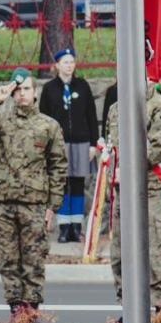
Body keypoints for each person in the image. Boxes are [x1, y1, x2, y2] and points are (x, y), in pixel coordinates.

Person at [0, 69, 67, 323]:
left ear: (35, 93)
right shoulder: (0, 120)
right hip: (4, 202)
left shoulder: (48, 125)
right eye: (18, 90)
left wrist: (52, 206)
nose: (22, 94)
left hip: (34, 203)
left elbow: (58, 168)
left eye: (27, 90)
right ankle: (16, 312)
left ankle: (31, 314)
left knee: (33, 259)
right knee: (8, 259)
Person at [106, 82, 161, 323]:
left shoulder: (158, 108)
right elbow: (111, 147)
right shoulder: (115, 108)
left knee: (155, 251)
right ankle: (130, 310)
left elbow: (160, 148)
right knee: (120, 253)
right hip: (122, 189)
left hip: (150, 187)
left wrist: (129, 162)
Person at [39, 48, 99, 243]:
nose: (69, 66)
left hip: (81, 141)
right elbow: (43, 117)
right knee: (62, 184)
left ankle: (76, 226)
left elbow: (91, 116)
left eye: (71, 62)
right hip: (59, 144)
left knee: (78, 184)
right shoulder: (49, 89)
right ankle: (64, 227)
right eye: (65, 62)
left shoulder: (82, 86)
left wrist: (93, 144)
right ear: (57, 65)